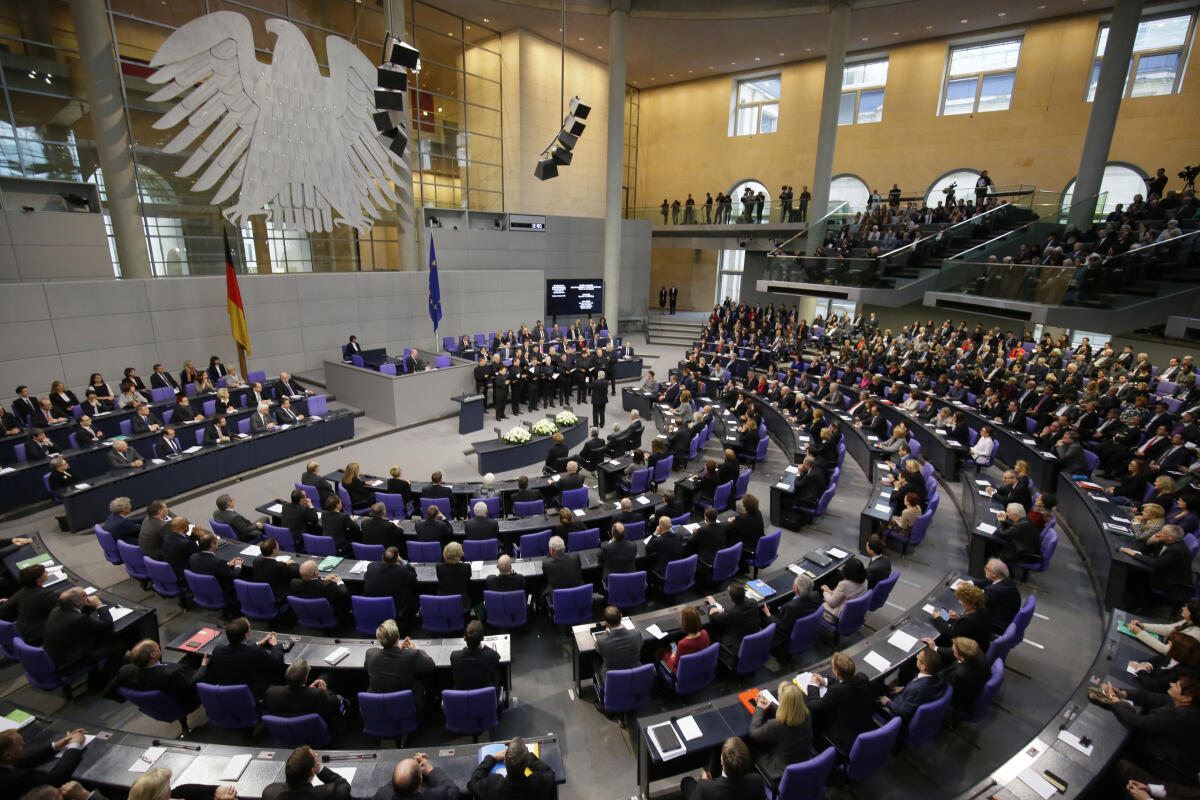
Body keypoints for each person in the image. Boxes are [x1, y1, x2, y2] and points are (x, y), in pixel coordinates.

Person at [1098, 676, 1200, 783]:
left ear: (1186, 698)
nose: (1171, 684)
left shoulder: (1180, 717)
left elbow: (1134, 721)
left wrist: (1114, 698)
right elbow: (1150, 697)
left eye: (1176, 686)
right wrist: (1122, 693)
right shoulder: (1183, 704)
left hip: (1162, 763)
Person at [42, 587, 121, 687]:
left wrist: (86, 604)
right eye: (84, 596)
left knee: (102, 637)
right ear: (77, 603)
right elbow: (108, 624)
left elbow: (79, 613)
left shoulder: (56, 610)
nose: (87, 597)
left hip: (56, 656)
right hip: (72, 661)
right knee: (118, 645)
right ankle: (102, 682)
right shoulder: (79, 619)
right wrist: (100, 605)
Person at [102, 638, 203, 711]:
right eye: (156, 647)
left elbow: (107, 692)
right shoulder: (171, 675)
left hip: (170, 684)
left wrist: (131, 697)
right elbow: (191, 686)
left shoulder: (126, 671)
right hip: (186, 699)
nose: (158, 648)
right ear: (153, 655)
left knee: (192, 656)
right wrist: (204, 666)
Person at [204, 617, 286, 700]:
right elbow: (277, 663)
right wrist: (275, 645)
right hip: (251, 695)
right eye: (249, 627)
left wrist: (259, 643)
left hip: (228, 694)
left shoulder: (218, 651)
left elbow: (241, 649)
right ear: (246, 635)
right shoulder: (255, 652)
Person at [747, 682, 812, 785]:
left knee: (749, 746)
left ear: (781, 700)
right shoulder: (807, 714)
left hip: (780, 773)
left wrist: (759, 708)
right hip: (802, 760)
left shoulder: (777, 725)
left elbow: (754, 733)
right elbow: (791, 710)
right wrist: (771, 704)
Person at [0, 726, 89, 797]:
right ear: (8, 755)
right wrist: (74, 745)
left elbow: (22, 760)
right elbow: (55, 779)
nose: (24, 744)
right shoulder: (17, 779)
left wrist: (57, 745)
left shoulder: (4, 761)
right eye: (19, 744)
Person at [365, 619, 436, 704]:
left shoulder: (370, 654)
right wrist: (415, 650)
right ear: (398, 636)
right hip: (405, 704)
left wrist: (397, 649)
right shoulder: (412, 655)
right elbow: (430, 665)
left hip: (378, 705)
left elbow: (367, 668)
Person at [264, 660, 345, 731]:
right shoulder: (319, 695)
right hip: (315, 734)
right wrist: (324, 691)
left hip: (285, 732)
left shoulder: (271, 692)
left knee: (325, 676)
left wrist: (309, 689)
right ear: (306, 679)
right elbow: (335, 704)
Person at [468, 737, 555, 800]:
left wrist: (492, 757)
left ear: (505, 761)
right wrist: (529, 757)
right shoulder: (537, 783)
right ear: (527, 763)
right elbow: (549, 773)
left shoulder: (493, 785)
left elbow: (473, 783)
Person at [678, 737, 764, 800]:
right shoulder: (757, 781)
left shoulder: (704, 788)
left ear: (722, 762)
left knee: (687, 781)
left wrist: (704, 781)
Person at [877, 647, 946, 721]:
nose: (917, 658)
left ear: (923, 667)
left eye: (918, 658)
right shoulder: (940, 675)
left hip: (898, 708)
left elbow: (902, 712)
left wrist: (887, 701)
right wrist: (904, 688)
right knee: (884, 687)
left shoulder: (916, 689)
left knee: (873, 694)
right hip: (910, 696)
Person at [0, 564, 59, 645]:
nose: (47, 572)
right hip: (39, 635)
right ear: (38, 579)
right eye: (44, 572)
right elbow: (62, 611)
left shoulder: (23, 591)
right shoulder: (45, 595)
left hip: (24, 631)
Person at [262, 746, 350, 800]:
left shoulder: (269, 792)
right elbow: (343, 785)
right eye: (315, 756)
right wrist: (319, 769)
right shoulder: (326, 794)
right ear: (312, 771)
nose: (317, 756)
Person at [926, 583, 993, 652]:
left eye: (961, 600)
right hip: (981, 644)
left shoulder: (968, 621)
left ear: (969, 604)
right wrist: (959, 617)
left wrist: (938, 618)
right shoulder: (983, 610)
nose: (959, 602)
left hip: (970, 652)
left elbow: (951, 634)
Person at [364, 547, 417, 629]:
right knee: (409, 590)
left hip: (372, 609)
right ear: (396, 560)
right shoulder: (401, 570)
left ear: (382, 557)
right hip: (394, 611)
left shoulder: (371, 566)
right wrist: (403, 561)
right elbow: (413, 576)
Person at [187, 531, 243, 605]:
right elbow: (233, 575)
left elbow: (207, 566)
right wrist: (238, 565)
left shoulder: (193, 557)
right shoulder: (217, 562)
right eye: (216, 542)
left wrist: (227, 564)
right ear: (212, 545)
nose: (218, 543)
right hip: (221, 591)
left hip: (202, 589)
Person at [1126, 600, 1200, 655]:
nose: (1183, 608)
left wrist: (1140, 633)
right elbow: (1167, 629)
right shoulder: (1187, 621)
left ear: (1193, 614)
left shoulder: (1195, 635)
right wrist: (1143, 626)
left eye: (1186, 608)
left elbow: (1167, 650)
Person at [373, 753, 460, 800]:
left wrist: (412, 767)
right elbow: (453, 791)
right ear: (421, 781)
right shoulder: (438, 796)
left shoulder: (381, 795)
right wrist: (430, 771)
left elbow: (398, 780)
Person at [769, 573, 822, 649]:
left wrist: (769, 615)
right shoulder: (816, 594)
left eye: (794, 584)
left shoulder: (790, 607)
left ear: (795, 589)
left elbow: (782, 627)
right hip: (807, 628)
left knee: (765, 618)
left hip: (788, 636)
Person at [594, 605, 641, 684]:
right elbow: (641, 643)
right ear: (621, 616)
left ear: (606, 623)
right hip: (635, 676)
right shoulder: (636, 634)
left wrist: (606, 633)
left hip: (613, 681)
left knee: (596, 662)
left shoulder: (601, 641)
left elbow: (598, 649)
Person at [451, 620, 502, 692]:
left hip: (462, 699)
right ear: (482, 638)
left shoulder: (454, 656)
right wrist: (484, 647)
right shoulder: (491, 655)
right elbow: (497, 656)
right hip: (485, 698)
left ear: (464, 638)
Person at [973, 559, 1022, 633]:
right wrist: (970, 583)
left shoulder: (995, 590)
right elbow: (988, 581)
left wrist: (965, 592)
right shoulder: (1006, 581)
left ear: (994, 575)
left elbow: (977, 604)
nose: (984, 569)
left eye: (986, 568)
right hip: (1006, 619)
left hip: (996, 626)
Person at [821, 557, 868, 622]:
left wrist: (825, 592)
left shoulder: (844, 584)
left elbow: (832, 603)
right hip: (854, 613)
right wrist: (830, 592)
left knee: (816, 601)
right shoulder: (865, 580)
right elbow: (849, 595)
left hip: (836, 616)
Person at [436, 542, 472, 609]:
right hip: (460, 601)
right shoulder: (466, 567)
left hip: (443, 600)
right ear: (460, 554)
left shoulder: (439, 567)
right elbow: (468, 578)